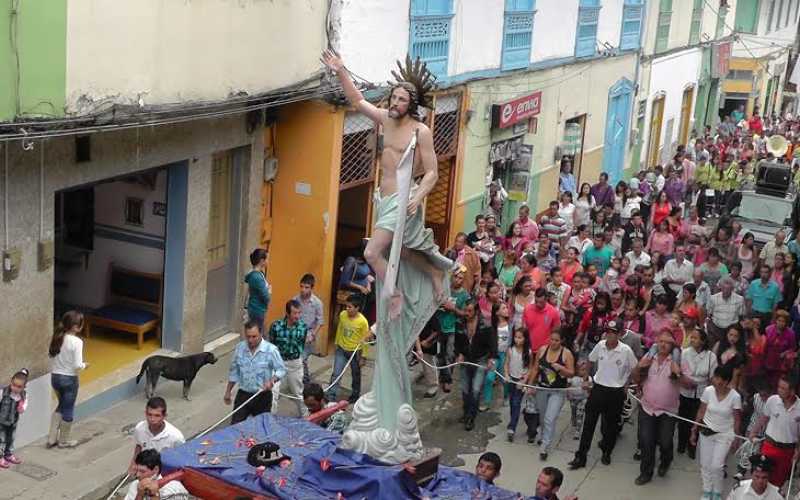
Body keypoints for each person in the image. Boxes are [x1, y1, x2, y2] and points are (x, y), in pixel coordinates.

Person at [569, 320, 638, 469]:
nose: (610, 335)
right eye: (608, 332)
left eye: (614, 332)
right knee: (588, 425)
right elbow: (590, 360)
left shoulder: (625, 350)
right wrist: (586, 378)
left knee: (610, 427)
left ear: (619, 334)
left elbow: (635, 367)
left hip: (615, 392)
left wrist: (627, 383)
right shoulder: (600, 346)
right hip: (598, 389)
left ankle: (607, 451)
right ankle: (581, 456)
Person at [634, 332, 682, 485]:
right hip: (647, 407)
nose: (663, 344)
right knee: (646, 441)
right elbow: (636, 378)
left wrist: (678, 372)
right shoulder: (649, 357)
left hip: (668, 410)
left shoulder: (677, 361)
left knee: (665, 441)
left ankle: (666, 461)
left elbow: (689, 384)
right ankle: (646, 473)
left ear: (672, 346)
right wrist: (638, 367)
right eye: (660, 341)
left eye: (667, 342)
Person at [690, 366, 742, 500]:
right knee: (705, 464)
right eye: (716, 378)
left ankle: (717, 492)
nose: (718, 382)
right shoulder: (708, 391)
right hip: (707, 430)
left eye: (722, 380)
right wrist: (694, 429)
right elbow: (701, 411)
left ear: (728, 381)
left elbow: (737, 420)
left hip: (725, 434)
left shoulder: (735, 397)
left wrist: (736, 439)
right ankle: (707, 490)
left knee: (717, 466)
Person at [224, 320, 286, 425]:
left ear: (261, 334)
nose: (250, 340)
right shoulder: (240, 348)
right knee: (235, 427)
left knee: (262, 429)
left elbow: (281, 370)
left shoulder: (271, 350)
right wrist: (228, 391)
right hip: (243, 395)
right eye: (248, 336)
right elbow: (234, 372)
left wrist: (272, 380)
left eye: (254, 336)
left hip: (262, 396)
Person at [528, 329, 575, 460]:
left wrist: (561, 368)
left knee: (550, 418)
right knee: (542, 417)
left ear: (562, 341)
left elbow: (571, 372)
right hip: (542, 388)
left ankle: (545, 446)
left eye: (556, 340)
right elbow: (536, 368)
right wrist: (530, 385)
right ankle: (543, 436)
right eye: (551, 339)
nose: (553, 342)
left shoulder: (566, 354)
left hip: (557, 391)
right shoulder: (543, 350)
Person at [748, 375, 800, 489]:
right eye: (778, 387)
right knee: (761, 478)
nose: (779, 390)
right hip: (769, 446)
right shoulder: (772, 400)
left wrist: (798, 451)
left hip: (787, 451)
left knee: (777, 484)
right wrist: (753, 433)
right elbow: (763, 418)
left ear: (792, 391)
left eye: (783, 388)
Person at [47, 310, 88, 449]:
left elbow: (51, 356)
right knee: (68, 409)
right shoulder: (77, 342)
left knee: (61, 405)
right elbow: (77, 365)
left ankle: (52, 438)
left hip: (55, 377)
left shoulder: (58, 337)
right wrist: (84, 365)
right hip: (69, 379)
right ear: (77, 326)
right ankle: (63, 441)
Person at [456, 301, 497, 431]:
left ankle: (471, 417)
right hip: (466, 359)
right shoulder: (460, 323)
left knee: (475, 389)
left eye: (469, 311)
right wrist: (459, 354)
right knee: (464, 388)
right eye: (465, 310)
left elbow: (492, 343)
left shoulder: (486, 325)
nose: (466, 314)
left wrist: (491, 358)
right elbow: (457, 342)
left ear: (476, 312)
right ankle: (466, 411)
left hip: (481, 359)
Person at [678, 328, 717, 460]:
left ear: (703, 341)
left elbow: (712, 378)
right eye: (691, 337)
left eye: (695, 338)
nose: (692, 340)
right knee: (683, 419)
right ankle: (681, 444)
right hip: (685, 391)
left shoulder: (711, 357)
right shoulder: (684, 353)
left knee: (697, 421)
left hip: (701, 394)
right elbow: (680, 372)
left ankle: (692, 446)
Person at [326, 295, 370, 404]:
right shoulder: (342, 315)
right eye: (346, 306)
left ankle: (355, 395)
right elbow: (340, 329)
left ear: (357, 308)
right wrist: (336, 343)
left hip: (355, 352)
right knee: (336, 373)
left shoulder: (363, 322)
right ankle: (331, 395)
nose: (347, 309)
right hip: (341, 349)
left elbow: (365, 340)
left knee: (355, 374)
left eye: (350, 307)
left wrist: (363, 356)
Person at [268, 300, 309, 417]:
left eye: (299, 313)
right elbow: (272, 344)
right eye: (294, 313)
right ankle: (270, 419)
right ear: (287, 313)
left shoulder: (303, 327)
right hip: (278, 363)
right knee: (273, 393)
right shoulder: (276, 326)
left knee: (298, 393)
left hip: (294, 364)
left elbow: (302, 344)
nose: (297, 316)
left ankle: (307, 417)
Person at [128, 397, 184, 475]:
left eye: (157, 416)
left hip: (164, 474)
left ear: (164, 416)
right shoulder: (139, 428)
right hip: (145, 473)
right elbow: (139, 446)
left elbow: (181, 462)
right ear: (145, 413)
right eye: (149, 414)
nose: (152, 419)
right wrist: (133, 463)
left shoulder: (176, 437)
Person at [293, 274, 324, 385]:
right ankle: (302, 379)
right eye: (301, 286)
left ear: (312, 288)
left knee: (302, 358)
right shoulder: (295, 300)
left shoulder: (317, 303)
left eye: (306, 287)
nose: (303, 290)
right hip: (296, 332)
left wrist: (312, 335)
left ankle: (304, 381)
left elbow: (320, 322)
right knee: (297, 359)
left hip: (309, 333)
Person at [480, 302, 511, 411]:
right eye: (504, 308)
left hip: (506, 356)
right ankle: (487, 401)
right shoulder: (492, 327)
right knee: (489, 378)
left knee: (505, 379)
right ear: (497, 312)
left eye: (506, 307)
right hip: (494, 355)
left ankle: (506, 396)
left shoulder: (511, 326)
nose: (507, 309)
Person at [124, 449, 189, 500]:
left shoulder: (174, 489)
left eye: (142, 471)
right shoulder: (135, 485)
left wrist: (155, 495)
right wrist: (139, 494)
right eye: (137, 470)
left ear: (156, 469)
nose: (137, 475)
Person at [504, 327, 531, 442]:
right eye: (515, 337)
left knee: (516, 403)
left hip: (520, 381)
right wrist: (506, 375)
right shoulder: (510, 350)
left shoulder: (528, 352)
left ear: (525, 339)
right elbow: (506, 364)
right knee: (512, 403)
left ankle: (512, 428)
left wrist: (524, 381)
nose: (517, 340)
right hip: (511, 379)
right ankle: (512, 421)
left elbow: (530, 369)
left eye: (520, 337)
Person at [0, 369, 28, 468]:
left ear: (24, 387)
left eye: (19, 387)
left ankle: (8, 454)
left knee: (11, 439)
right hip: (1, 422)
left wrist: (22, 408)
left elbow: (24, 406)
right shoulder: (3, 392)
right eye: (13, 385)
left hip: (13, 422)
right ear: (11, 382)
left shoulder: (23, 395)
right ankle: (0, 457)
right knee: (1, 440)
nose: (15, 388)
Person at [706, 278, 745, 346]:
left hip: (732, 331)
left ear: (732, 288)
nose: (726, 291)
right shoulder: (713, 298)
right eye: (724, 288)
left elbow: (741, 315)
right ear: (720, 287)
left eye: (728, 289)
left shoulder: (740, 299)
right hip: (716, 329)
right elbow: (709, 314)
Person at [523, 288, 561, 354]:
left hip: (545, 350)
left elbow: (556, 331)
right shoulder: (527, 309)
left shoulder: (553, 312)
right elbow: (524, 328)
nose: (538, 304)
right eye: (536, 301)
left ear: (546, 299)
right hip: (529, 348)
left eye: (541, 302)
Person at [244, 248, 271, 334]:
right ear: (262, 261)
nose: (268, 261)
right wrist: (269, 291)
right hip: (257, 310)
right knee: (259, 335)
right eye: (267, 259)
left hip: (256, 308)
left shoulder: (257, 274)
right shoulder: (257, 277)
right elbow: (266, 296)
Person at [415, 316, 440, 398]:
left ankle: (433, 386)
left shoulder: (431, 314)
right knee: (426, 365)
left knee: (429, 364)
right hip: (419, 343)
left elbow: (437, 331)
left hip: (428, 344)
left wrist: (427, 341)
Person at [566, 360, 592, 440]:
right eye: (582, 370)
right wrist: (568, 394)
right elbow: (568, 386)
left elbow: (590, 389)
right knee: (574, 411)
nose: (584, 372)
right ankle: (573, 419)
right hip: (573, 398)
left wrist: (588, 389)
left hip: (583, 399)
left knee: (580, 414)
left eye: (585, 370)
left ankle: (577, 431)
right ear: (577, 370)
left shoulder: (588, 379)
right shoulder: (572, 378)